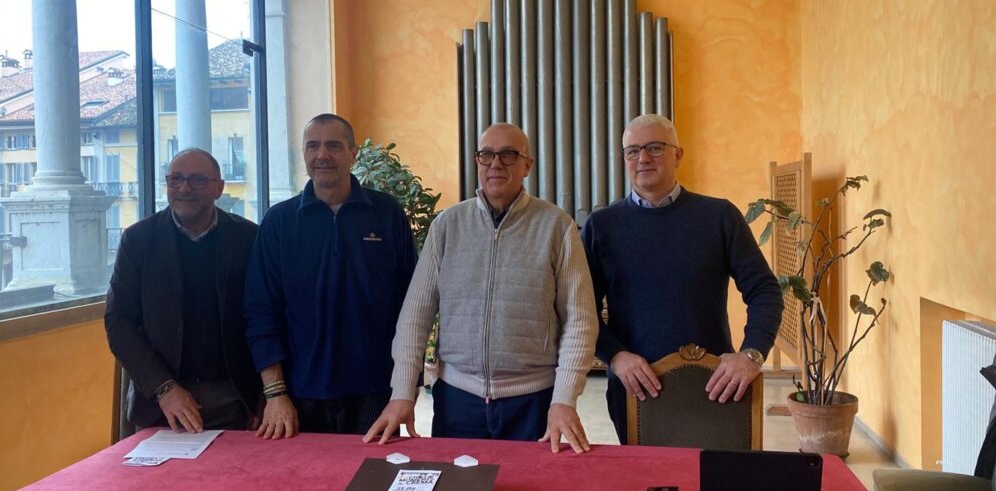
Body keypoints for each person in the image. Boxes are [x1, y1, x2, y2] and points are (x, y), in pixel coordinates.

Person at [364, 123, 598, 454]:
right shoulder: (447, 226)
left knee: (532, 486)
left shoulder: (556, 227)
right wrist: (402, 393)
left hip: (533, 401)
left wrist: (564, 399)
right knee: (456, 486)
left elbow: (580, 320)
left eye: (508, 155)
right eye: (486, 154)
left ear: (527, 165)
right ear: (477, 161)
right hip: (458, 401)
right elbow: (415, 316)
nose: (495, 164)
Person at [581, 114, 783, 443]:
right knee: (645, 476)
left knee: (713, 474)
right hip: (635, 390)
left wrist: (752, 354)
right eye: (632, 151)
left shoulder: (719, 217)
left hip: (715, 387)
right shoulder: (601, 227)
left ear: (678, 155)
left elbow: (764, 289)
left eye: (655, 147)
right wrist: (614, 355)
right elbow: (580, 309)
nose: (643, 158)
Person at [244, 113, 417, 438]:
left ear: (353, 153)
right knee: (300, 473)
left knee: (372, 472)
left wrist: (408, 386)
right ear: (304, 154)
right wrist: (275, 393)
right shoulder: (279, 222)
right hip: (299, 394)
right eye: (313, 146)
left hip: (376, 391)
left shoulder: (387, 214)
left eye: (334, 146)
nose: (322, 155)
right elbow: (261, 311)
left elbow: (412, 307)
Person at [105, 148, 261, 432]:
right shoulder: (138, 241)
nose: (184, 188)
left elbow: (264, 316)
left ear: (218, 188)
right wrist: (164, 388)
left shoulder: (248, 238)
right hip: (160, 403)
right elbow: (119, 323)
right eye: (175, 179)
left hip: (236, 401)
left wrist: (264, 396)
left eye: (197, 180)